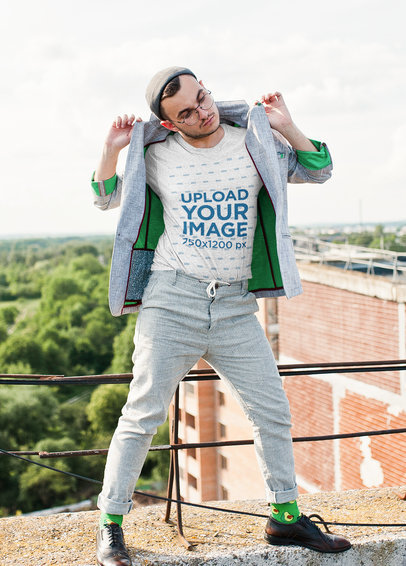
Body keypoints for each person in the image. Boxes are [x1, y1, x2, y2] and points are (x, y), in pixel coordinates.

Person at [92, 66, 351, 565]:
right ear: (169, 124)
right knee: (143, 413)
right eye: (185, 112)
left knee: (271, 410)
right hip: (172, 299)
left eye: (202, 97)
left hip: (235, 305)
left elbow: (318, 168)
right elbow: (106, 197)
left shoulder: (254, 142)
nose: (201, 111)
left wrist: (287, 125)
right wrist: (111, 149)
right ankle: (111, 523)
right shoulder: (158, 155)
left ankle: (287, 519)